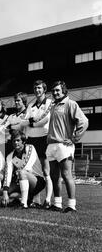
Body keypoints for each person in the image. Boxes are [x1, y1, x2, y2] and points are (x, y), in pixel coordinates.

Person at [46, 81, 88, 213]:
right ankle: (57, 203)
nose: (55, 93)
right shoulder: (53, 106)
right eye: (53, 90)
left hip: (64, 145)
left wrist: (74, 138)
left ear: (64, 91)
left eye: (58, 90)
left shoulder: (70, 104)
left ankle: (71, 205)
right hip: (51, 145)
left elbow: (84, 121)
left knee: (66, 174)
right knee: (54, 176)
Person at [20, 80, 53, 209]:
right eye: (35, 88)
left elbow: (44, 121)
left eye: (39, 88)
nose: (37, 90)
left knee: (46, 170)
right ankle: (36, 200)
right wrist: (30, 121)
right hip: (31, 140)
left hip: (44, 138)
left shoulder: (50, 103)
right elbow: (23, 121)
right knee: (33, 171)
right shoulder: (31, 104)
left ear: (44, 89)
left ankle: (48, 199)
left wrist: (31, 122)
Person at [1, 130, 46, 209]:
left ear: (23, 141)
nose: (16, 143)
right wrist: (5, 191)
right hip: (21, 180)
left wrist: (18, 173)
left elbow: (27, 167)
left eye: (18, 140)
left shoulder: (30, 148)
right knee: (4, 193)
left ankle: (23, 204)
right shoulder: (10, 156)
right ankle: (26, 198)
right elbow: (8, 174)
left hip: (37, 180)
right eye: (14, 141)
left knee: (22, 172)